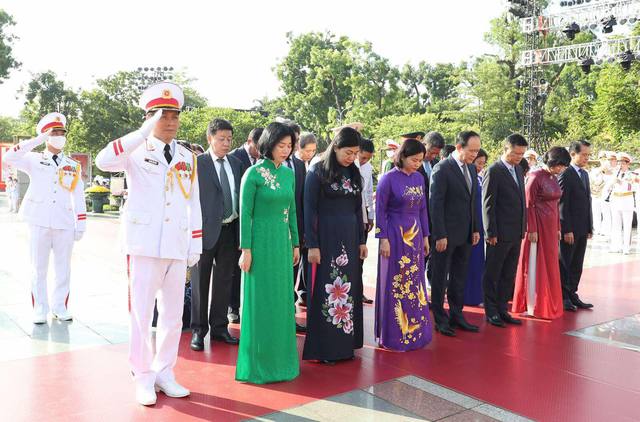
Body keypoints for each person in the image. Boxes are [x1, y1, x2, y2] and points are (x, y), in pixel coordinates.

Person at [95, 82, 202, 405]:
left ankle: (164, 371)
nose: (170, 122)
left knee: (173, 316)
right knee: (141, 314)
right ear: (149, 118)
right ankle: (142, 375)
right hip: (143, 244)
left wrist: (195, 241)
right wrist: (141, 133)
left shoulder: (187, 156)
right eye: (162, 116)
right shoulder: (135, 150)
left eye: (174, 116)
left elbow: (193, 200)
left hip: (176, 244)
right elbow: (102, 161)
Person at [4, 112, 86, 324]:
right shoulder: (33, 158)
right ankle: (40, 308)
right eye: (54, 132)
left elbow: (77, 195)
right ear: (46, 136)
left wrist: (81, 223)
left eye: (61, 132)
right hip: (38, 219)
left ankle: (60, 306)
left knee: (63, 268)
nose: (59, 136)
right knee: (38, 268)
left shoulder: (73, 165)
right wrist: (37, 140)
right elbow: (8, 158)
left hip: (64, 222)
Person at [235, 122, 300, 384]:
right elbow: (245, 214)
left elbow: (293, 210)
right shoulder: (253, 174)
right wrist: (246, 250)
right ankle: (258, 364)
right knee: (260, 301)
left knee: (281, 301)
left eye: (289, 146)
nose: (286, 151)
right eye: (281, 146)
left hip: (282, 244)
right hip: (259, 244)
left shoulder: (288, 174)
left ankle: (282, 361)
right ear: (268, 145)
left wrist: (296, 243)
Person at [303, 126, 367, 363]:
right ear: (336, 147)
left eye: (355, 153)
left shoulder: (353, 174)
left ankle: (345, 345)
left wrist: (361, 240)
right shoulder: (317, 171)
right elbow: (308, 209)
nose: (351, 158)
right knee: (327, 289)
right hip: (326, 240)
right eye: (348, 152)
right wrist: (312, 244)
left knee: (348, 290)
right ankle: (326, 349)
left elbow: (357, 208)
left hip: (349, 239)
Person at [189, 118, 243, 351]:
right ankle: (199, 330)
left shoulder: (236, 163)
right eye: (221, 139)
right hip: (204, 231)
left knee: (224, 281)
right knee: (200, 282)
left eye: (229, 139)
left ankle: (220, 327)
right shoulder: (196, 164)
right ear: (209, 139)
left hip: (230, 230)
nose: (226, 143)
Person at [375, 138, 432, 351]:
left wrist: (426, 236)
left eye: (420, 160)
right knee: (395, 282)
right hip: (395, 234)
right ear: (403, 156)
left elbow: (423, 209)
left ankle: (416, 331)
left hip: (415, 236)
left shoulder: (419, 178)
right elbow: (380, 210)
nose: (417, 163)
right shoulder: (388, 179)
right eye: (414, 159)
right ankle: (394, 333)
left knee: (415, 282)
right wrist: (383, 239)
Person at [429, 131, 481, 337]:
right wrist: (439, 234)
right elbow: (436, 204)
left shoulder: (471, 168)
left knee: (460, 276)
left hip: (466, 233)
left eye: (477, 151)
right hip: (446, 235)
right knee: (440, 277)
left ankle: (457, 314)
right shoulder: (442, 169)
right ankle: (440, 319)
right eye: (472, 150)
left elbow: (472, 201)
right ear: (459, 147)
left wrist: (475, 228)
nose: (475, 155)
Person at [512, 147, 571, 319]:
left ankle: (547, 302)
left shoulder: (553, 177)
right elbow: (528, 204)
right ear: (552, 161)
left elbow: (555, 204)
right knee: (534, 263)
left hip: (551, 225)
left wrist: (558, 228)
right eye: (559, 165)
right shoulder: (535, 176)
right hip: (537, 225)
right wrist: (531, 228)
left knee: (550, 264)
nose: (561, 169)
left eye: (563, 166)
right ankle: (533, 304)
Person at [482, 133, 527, 328]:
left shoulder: (517, 170)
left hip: (516, 232)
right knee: (493, 273)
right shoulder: (494, 170)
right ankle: (491, 311)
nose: (519, 157)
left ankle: (503, 309)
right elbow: (488, 204)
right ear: (505, 149)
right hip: (498, 233)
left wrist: (523, 227)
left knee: (509, 273)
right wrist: (490, 232)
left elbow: (520, 200)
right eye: (516, 153)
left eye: (522, 154)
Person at [228, 127, 263, 323]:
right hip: (237, 220)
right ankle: (233, 307)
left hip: (258, 223)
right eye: (258, 147)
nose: (260, 151)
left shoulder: (265, 162)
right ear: (249, 141)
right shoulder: (235, 158)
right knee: (235, 267)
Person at [558, 140, 594, 311]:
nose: (587, 158)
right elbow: (562, 204)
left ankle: (573, 293)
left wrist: (589, 226)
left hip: (582, 227)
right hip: (570, 229)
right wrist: (566, 229)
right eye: (584, 154)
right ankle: (563, 296)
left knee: (577, 263)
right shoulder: (565, 174)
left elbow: (587, 201)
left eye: (588, 155)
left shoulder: (585, 174)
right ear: (573, 154)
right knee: (566, 262)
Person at [417, 132, 445, 288]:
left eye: (436, 153)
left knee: (429, 256)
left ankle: (426, 287)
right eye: (431, 151)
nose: (432, 155)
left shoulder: (436, 165)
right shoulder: (413, 163)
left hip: (432, 218)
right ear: (424, 144)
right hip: (417, 217)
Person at [464, 148, 488, 306]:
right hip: (468, 224)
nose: (480, 166)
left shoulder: (480, 178)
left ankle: (478, 295)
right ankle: (468, 296)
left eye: (483, 164)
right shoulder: (468, 177)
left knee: (479, 262)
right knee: (468, 262)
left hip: (479, 224)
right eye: (479, 162)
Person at [356, 137, 375, 305]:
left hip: (362, 217)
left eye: (368, 158)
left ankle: (359, 292)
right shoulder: (349, 165)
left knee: (361, 258)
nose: (364, 161)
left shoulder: (368, 168)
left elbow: (368, 192)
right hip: (349, 217)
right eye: (362, 157)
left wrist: (370, 215)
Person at [606, 152, 636, 255]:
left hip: (627, 200)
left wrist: (620, 182)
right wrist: (611, 184)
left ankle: (626, 247)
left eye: (623, 163)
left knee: (627, 225)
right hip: (616, 200)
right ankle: (616, 246)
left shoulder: (632, 174)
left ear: (628, 164)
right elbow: (608, 187)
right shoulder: (614, 173)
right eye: (619, 163)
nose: (620, 165)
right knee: (616, 225)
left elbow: (631, 187)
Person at [589, 151, 611, 236]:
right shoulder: (595, 170)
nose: (603, 160)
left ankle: (606, 230)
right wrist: (600, 170)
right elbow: (593, 180)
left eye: (605, 158)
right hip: (596, 194)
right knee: (596, 212)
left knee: (606, 212)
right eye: (601, 158)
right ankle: (597, 229)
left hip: (605, 194)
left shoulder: (611, 171)